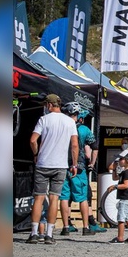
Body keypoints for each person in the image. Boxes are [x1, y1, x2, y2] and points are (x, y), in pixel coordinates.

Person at [26, 94, 79, 244]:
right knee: (55, 197)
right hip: (60, 164)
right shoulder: (69, 121)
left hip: (43, 163)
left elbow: (32, 140)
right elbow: (74, 145)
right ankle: (49, 234)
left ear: (49, 105)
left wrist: (36, 153)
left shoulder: (44, 119)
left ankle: (34, 233)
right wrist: (74, 164)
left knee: (39, 197)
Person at [58, 103, 97, 236]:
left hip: (62, 164)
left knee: (64, 197)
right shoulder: (84, 129)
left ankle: (65, 227)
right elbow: (95, 146)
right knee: (83, 198)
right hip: (79, 166)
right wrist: (92, 162)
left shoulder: (61, 127)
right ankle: (86, 227)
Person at [107, 149, 128, 243]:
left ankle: (120, 238)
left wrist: (115, 186)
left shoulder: (127, 172)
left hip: (125, 199)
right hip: (127, 199)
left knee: (121, 218)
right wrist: (114, 170)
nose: (119, 161)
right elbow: (115, 178)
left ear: (127, 160)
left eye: (121, 159)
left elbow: (126, 185)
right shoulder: (124, 172)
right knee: (127, 218)